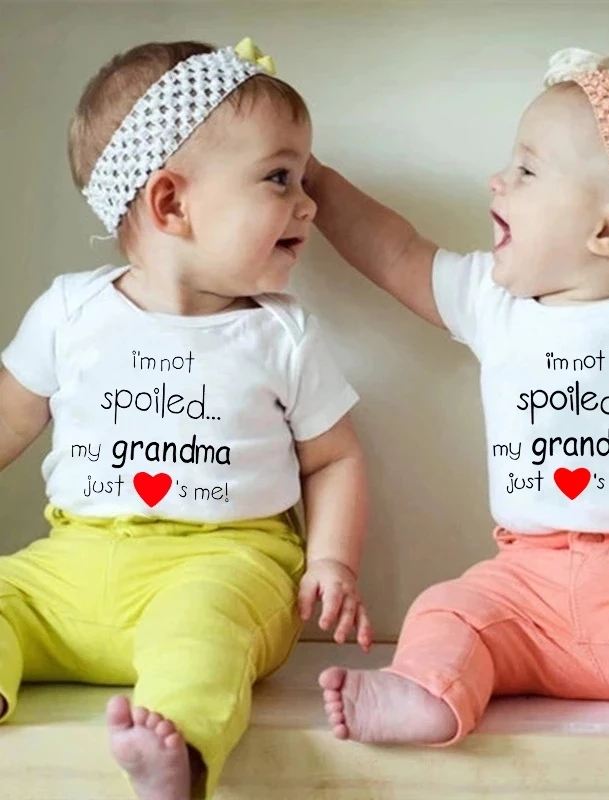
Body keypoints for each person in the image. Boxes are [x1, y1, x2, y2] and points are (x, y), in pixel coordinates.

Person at [308, 48, 609, 800]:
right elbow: (395, 250)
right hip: (529, 586)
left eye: (527, 170)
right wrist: (313, 178)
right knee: (450, 607)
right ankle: (427, 691)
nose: (496, 180)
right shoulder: (493, 303)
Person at [0, 37, 371, 800]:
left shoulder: (280, 333)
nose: (308, 203)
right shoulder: (70, 312)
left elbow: (334, 457)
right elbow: (8, 421)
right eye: (280, 178)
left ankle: (179, 753)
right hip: (73, 565)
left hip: (226, 564)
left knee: (206, 632)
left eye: (303, 179)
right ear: (170, 203)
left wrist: (332, 562)